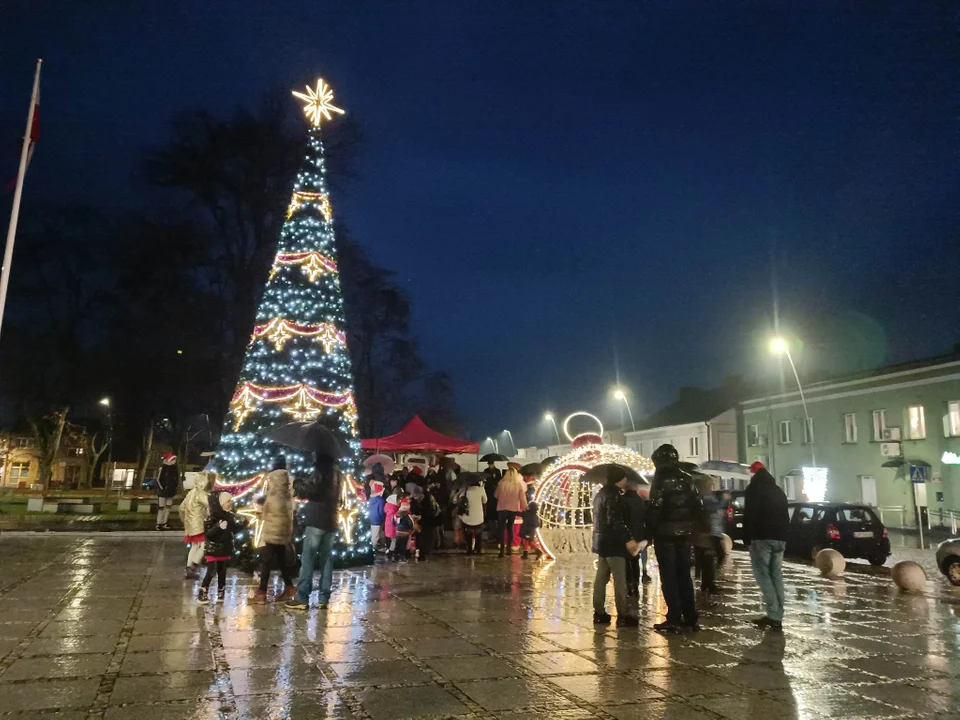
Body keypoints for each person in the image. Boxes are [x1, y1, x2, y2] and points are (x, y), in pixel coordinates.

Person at [646, 444, 702, 632]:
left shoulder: (660, 479)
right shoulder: (687, 478)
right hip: (685, 534)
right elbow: (697, 505)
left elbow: (655, 507)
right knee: (684, 575)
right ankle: (691, 616)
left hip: (665, 534)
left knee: (669, 577)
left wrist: (649, 531)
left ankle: (674, 617)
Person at [286, 454, 340, 611]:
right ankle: (324, 598)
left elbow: (309, 491)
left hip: (317, 520)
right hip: (331, 520)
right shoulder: (337, 472)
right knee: (326, 560)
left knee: (308, 559)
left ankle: (302, 598)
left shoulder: (320, 470)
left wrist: (298, 482)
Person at [592, 466, 640, 627]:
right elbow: (616, 520)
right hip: (613, 543)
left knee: (601, 578)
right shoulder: (613, 496)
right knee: (619, 579)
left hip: (601, 542)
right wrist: (628, 539)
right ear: (618, 479)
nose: (626, 481)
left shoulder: (600, 494)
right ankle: (623, 614)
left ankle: (599, 613)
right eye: (624, 478)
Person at [744, 460, 789, 631]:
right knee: (776, 576)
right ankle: (778, 614)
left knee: (763, 576)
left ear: (754, 474)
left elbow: (750, 515)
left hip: (761, 538)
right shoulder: (777, 490)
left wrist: (747, 538)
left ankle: (773, 614)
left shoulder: (754, 490)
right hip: (780, 539)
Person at [252, 456, 297, 604]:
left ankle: (261, 593)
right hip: (283, 532)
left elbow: (267, 512)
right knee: (281, 559)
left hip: (273, 532)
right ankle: (289, 586)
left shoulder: (273, 495)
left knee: (266, 561)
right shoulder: (286, 493)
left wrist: (262, 506)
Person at [198, 491, 236, 604]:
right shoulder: (212, 517)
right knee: (211, 571)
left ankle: (221, 591)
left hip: (224, 549)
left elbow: (234, 529)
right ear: (221, 503)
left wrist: (245, 523)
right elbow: (208, 534)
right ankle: (203, 591)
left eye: (231, 500)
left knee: (222, 571)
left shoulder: (229, 516)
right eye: (228, 501)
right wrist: (218, 527)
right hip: (213, 549)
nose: (230, 503)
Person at [692, 474, 721, 595]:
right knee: (708, 559)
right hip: (706, 533)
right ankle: (709, 584)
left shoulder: (702, 497)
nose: (711, 486)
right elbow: (706, 514)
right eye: (710, 483)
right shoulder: (703, 498)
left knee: (707, 559)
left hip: (707, 532)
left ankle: (707, 583)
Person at [180, 471, 212, 579]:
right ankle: (194, 566)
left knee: (194, 546)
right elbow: (209, 505)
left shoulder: (190, 493)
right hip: (199, 524)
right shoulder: (201, 493)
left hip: (189, 524)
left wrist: (184, 520)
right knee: (203, 546)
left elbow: (181, 507)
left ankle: (189, 569)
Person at [621, 476, 650, 594]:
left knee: (627, 561)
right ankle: (636, 586)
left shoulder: (622, 500)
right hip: (639, 535)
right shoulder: (641, 501)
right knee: (635, 560)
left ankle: (629, 586)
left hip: (626, 535)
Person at [495, 463, 528, 556]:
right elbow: (522, 498)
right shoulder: (518, 485)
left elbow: (495, 495)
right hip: (513, 509)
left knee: (501, 528)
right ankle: (509, 549)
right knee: (510, 528)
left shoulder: (501, 483)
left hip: (501, 509)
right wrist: (526, 508)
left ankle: (501, 550)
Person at [457, 473, 487, 555]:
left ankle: (469, 550)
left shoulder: (465, 490)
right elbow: (485, 501)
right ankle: (478, 550)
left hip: (468, 516)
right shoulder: (481, 490)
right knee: (478, 535)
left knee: (468, 535)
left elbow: (459, 500)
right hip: (478, 516)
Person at [156, 452, 179, 531]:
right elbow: (158, 480)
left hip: (170, 492)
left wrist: (174, 488)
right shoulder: (163, 468)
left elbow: (176, 480)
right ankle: (159, 523)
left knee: (168, 508)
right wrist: (162, 489)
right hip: (162, 492)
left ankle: (164, 522)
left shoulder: (174, 469)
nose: (175, 461)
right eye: (173, 459)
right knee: (161, 508)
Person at [483, 461, 502, 543]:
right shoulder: (486, 471)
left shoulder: (497, 471)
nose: (490, 465)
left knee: (495, 514)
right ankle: (491, 530)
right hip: (488, 493)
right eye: (489, 464)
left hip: (495, 493)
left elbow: (499, 481)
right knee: (490, 513)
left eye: (491, 464)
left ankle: (495, 533)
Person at [519, 485, 540, 559]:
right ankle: (526, 554)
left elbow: (520, 514)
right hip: (531, 531)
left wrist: (514, 512)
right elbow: (537, 524)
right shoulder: (535, 515)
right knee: (527, 542)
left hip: (527, 530)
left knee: (529, 542)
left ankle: (538, 551)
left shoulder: (527, 513)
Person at [383, 476, 401, 558]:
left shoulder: (388, 508)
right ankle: (391, 552)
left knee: (390, 539)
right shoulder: (394, 510)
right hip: (393, 528)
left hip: (388, 527)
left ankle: (389, 551)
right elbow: (395, 520)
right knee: (394, 540)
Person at [368, 480, 386, 551]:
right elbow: (381, 511)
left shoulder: (370, 498)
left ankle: (373, 547)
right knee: (377, 535)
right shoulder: (380, 500)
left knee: (373, 534)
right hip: (378, 519)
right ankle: (374, 548)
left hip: (372, 518)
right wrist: (383, 518)